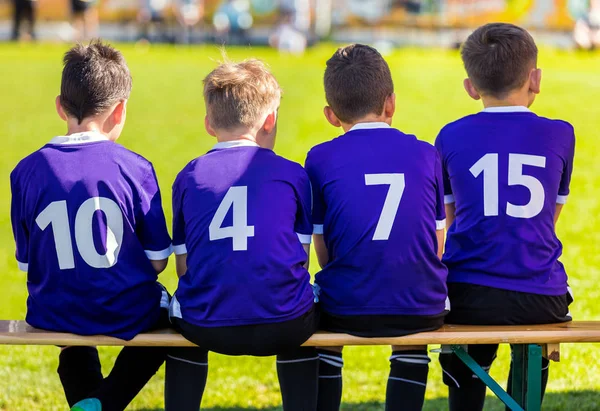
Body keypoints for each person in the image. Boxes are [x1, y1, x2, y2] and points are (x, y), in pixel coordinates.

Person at [10, 40, 173, 411]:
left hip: (51, 309)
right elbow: (159, 261)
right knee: (169, 313)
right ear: (119, 112)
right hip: (124, 310)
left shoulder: (25, 171)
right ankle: (106, 401)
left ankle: (89, 403)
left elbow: (27, 264)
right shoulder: (135, 168)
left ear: (59, 106)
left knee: (72, 325)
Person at [164, 58, 319, 410]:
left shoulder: (189, 176)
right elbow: (300, 261)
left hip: (206, 324)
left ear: (209, 124)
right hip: (285, 325)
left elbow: (184, 267)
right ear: (270, 120)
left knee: (178, 311)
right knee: (302, 307)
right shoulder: (292, 174)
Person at [435, 23, 575, 411]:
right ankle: (524, 402)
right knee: (534, 337)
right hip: (539, 296)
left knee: (465, 344)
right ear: (536, 79)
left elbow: (450, 219)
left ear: (470, 87)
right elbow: (550, 217)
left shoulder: (450, 135)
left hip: (468, 294)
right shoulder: (561, 134)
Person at [305, 44, 449, 411]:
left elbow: (323, 251)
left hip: (345, 304)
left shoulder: (319, 157)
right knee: (413, 338)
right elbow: (436, 244)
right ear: (391, 103)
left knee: (322, 325)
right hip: (420, 305)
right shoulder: (426, 153)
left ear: (330, 115)